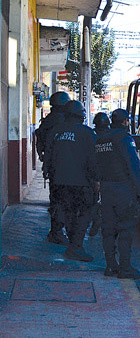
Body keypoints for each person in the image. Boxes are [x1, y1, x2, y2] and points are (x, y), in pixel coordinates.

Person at [44, 100, 99, 262]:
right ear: (81, 115)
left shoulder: (55, 131)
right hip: (81, 183)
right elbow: (93, 160)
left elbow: (48, 155)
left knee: (67, 212)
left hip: (59, 182)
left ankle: (73, 245)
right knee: (84, 214)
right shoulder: (88, 133)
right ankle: (76, 247)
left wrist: (49, 174)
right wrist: (96, 179)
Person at [95, 108, 140, 279]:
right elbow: (133, 165)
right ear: (126, 122)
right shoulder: (125, 139)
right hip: (123, 190)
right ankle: (125, 268)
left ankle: (111, 266)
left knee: (108, 229)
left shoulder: (101, 139)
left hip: (106, 189)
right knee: (126, 229)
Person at [35, 91, 71, 245]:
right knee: (63, 200)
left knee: (56, 198)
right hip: (63, 166)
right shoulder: (62, 122)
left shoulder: (48, 120)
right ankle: (56, 232)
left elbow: (40, 142)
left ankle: (56, 230)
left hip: (52, 166)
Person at [88, 112, 111, 237]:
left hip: (94, 174)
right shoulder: (111, 136)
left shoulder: (92, 135)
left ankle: (96, 219)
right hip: (109, 174)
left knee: (93, 201)